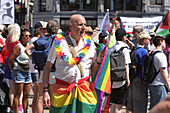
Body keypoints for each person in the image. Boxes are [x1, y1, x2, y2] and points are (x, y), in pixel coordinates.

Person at [42, 14, 105, 113]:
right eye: (80, 24)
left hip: (84, 91)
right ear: (71, 26)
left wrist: (99, 61)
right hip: (62, 91)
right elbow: (47, 67)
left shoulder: (91, 44)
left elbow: (91, 70)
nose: (84, 27)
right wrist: (45, 91)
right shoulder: (59, 42)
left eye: (85, 24)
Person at [25, 19, 60, 113]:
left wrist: (34, 59)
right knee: (52, 99)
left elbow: (27, 49)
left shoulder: (41, 39)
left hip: (41, 70)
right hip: (54, 70)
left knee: (40, 97)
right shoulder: (59, 39)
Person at [127, 31, 151, 113]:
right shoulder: (143, 51)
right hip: (140, 78)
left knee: (133, 102)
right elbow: (144, 66)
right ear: (144, 40)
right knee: (140, 103)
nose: (149, 41)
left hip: (133, 77)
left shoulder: (134, 49)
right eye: (148, 39)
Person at [9, 28, 32, 113]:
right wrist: (12, 70)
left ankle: (25, 111)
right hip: (19, 71)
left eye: (29, 36)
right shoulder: (19, 47)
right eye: (26, 36)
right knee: (17, 94)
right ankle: (16, 111)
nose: (28, 37)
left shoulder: (30, 46)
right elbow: (11, 59)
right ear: (21, 37)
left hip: (28, 71)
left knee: (26, 95)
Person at [109, 28, 131, 113]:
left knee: (114, 103)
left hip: (113, 79)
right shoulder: (125, 49)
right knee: (119, 106)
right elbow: (126, 65)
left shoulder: (111, 49)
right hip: (122, 79)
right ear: (124, 37)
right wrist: (128, 79)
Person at [27, 21, 46, 113]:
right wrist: (34, 60)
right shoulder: (36, 40)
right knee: (38, 95)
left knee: (37, 95)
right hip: (35, 68)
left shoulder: (35, 40)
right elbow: (28, 51)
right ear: (40, 30)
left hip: (34, 68)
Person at [148, 35, 170, 110]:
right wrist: (168, 83)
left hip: (152, 83)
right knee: (161, 108)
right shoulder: (161, 55)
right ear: (161, 42)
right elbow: (163, 70)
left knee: (154, 107)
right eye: (164, 42)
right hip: (160, 84)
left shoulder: (152, 53)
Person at [4, 23, 21, 113]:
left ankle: (12, 107)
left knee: (11, 88)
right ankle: (19, 107)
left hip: (8, 63)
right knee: (19, 88)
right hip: (17, 64)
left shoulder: (8, 40)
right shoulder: (18, 42)